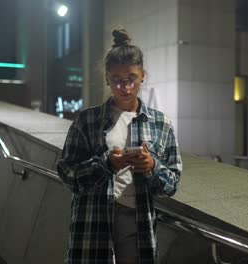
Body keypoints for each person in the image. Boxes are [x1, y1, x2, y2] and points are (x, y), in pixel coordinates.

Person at [57, 28, 182, 264]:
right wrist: (106, 164)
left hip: (138, 223)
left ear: (142, 75)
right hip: (93, 220)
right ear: (106, 78)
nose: (125, 88)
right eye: (117, 81)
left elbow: (172, 184)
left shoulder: (161, 124)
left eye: (131, 79)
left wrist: (152, 165)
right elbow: (67, 174)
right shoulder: (87, 121)